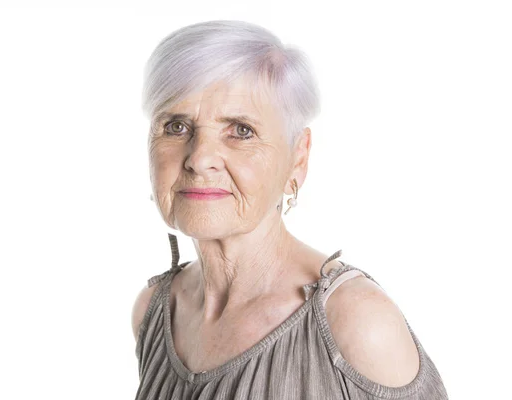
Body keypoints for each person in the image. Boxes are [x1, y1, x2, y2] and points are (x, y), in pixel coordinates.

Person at [131, 20, 448, 399]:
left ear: (298, 158)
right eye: (177, 126)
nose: (199, 159)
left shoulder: (357, 322)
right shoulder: (153, 311)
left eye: (240, 130)